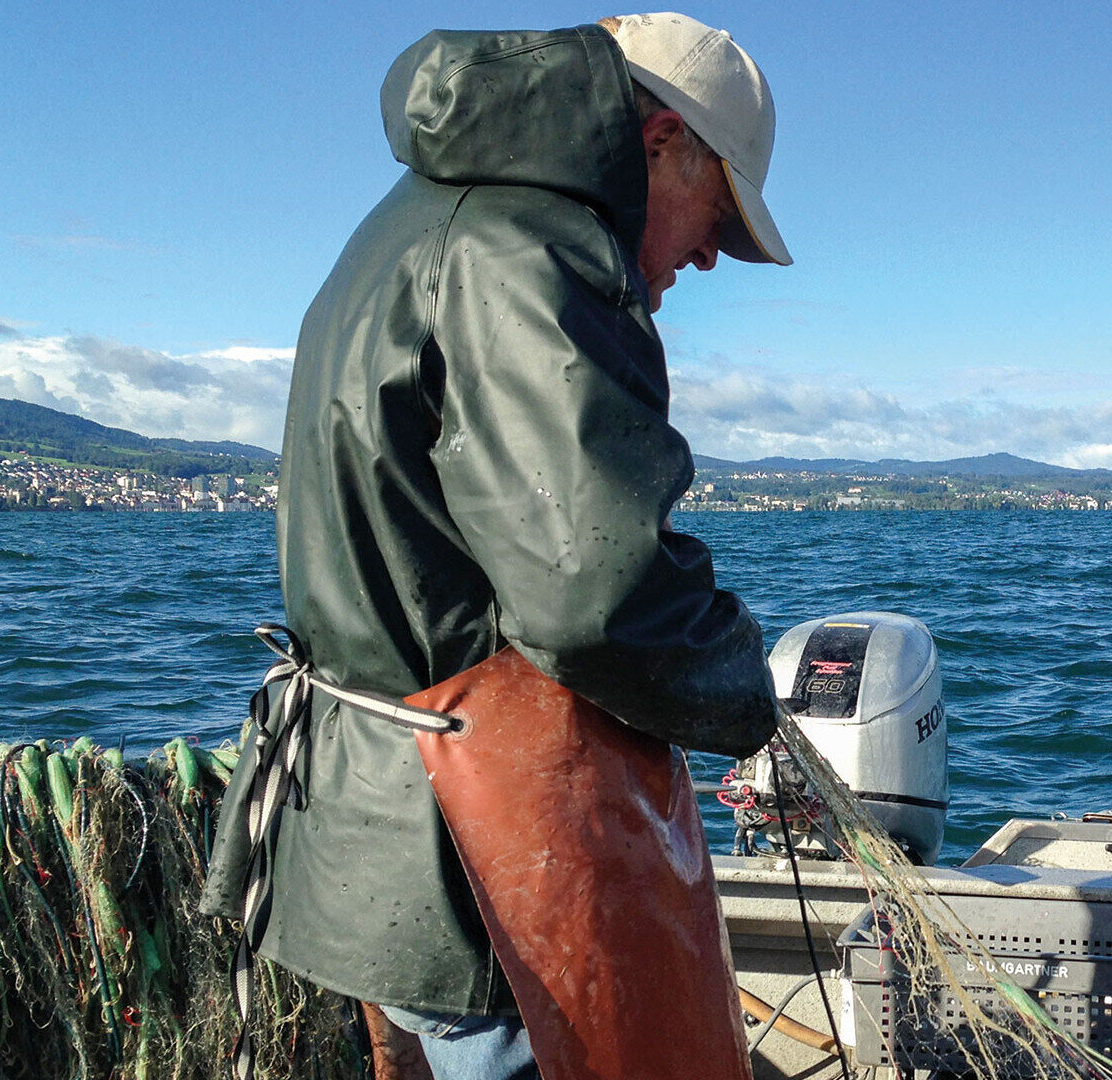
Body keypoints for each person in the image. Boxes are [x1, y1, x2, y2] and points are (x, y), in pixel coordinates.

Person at [201, 13, 791, 1079]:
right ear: (659, 142)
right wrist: (745, 689)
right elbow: (593, 593)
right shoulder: (533, 251)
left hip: (373, 821)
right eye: (720, 214)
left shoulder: (419, 217)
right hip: (482, 858)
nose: (711, 254)